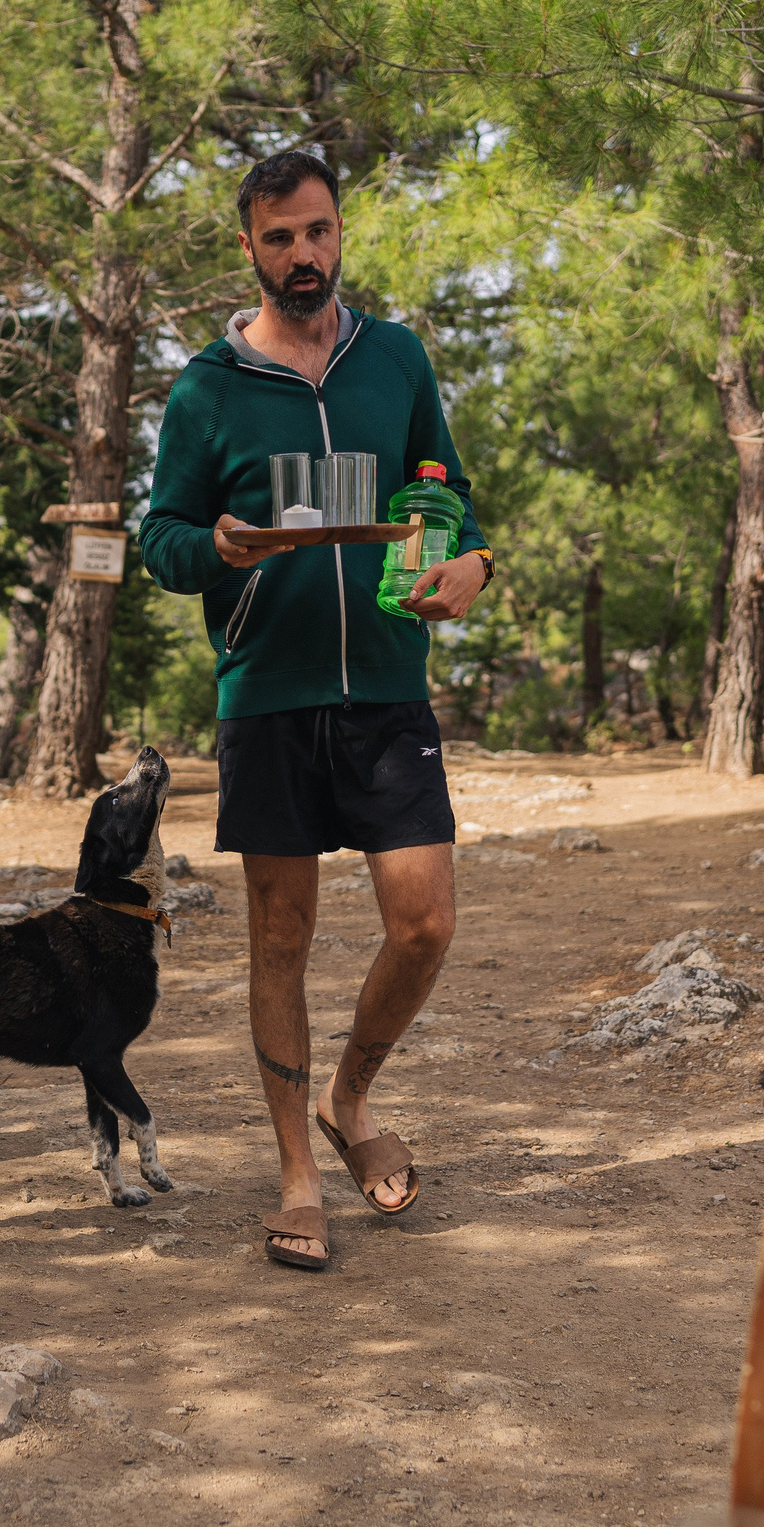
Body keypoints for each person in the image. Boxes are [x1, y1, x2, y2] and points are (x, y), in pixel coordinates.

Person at [138, 149, 492, 1272]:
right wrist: (216, 547)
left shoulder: (394, 358)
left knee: (424, 922)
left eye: (319, 231)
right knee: (279, 942)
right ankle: (297, 1171)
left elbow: (444, 485)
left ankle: (350, 1093)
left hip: (387, 687)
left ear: (342, 234)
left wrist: (472, 561)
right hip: (269, 698)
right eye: (280, 237)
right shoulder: (206, 386)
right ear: (246, 247)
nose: (304, 254)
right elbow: (162, 540)